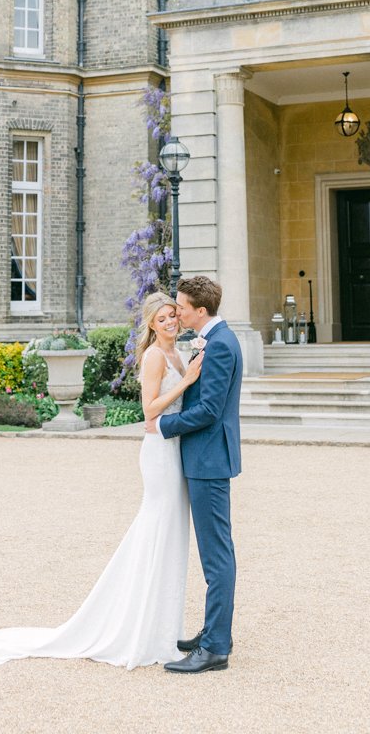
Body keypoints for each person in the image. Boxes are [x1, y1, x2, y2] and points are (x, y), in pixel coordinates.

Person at [0, 292, 202, 672]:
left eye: (173, 316)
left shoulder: (179, 353)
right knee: (157, 528)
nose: (170, 322)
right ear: (150, 323)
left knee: (172, 532)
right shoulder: (154, 356)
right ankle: (141, 627)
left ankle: (163, 626)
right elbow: (149, 411)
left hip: (176, 449)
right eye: (162, 318)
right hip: (159, 452)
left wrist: (190, 373)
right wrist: (187, 381)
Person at [146, 275, 243, 675]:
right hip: (203, 457)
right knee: (213, 550)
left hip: (208, 459)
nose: (178, 312)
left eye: (182, 307)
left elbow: (209, 412)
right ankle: (211, 633)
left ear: (200, 311)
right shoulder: (214, 339)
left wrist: (163, 427)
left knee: (216, 553)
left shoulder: (219, 345)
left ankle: (216, 648)